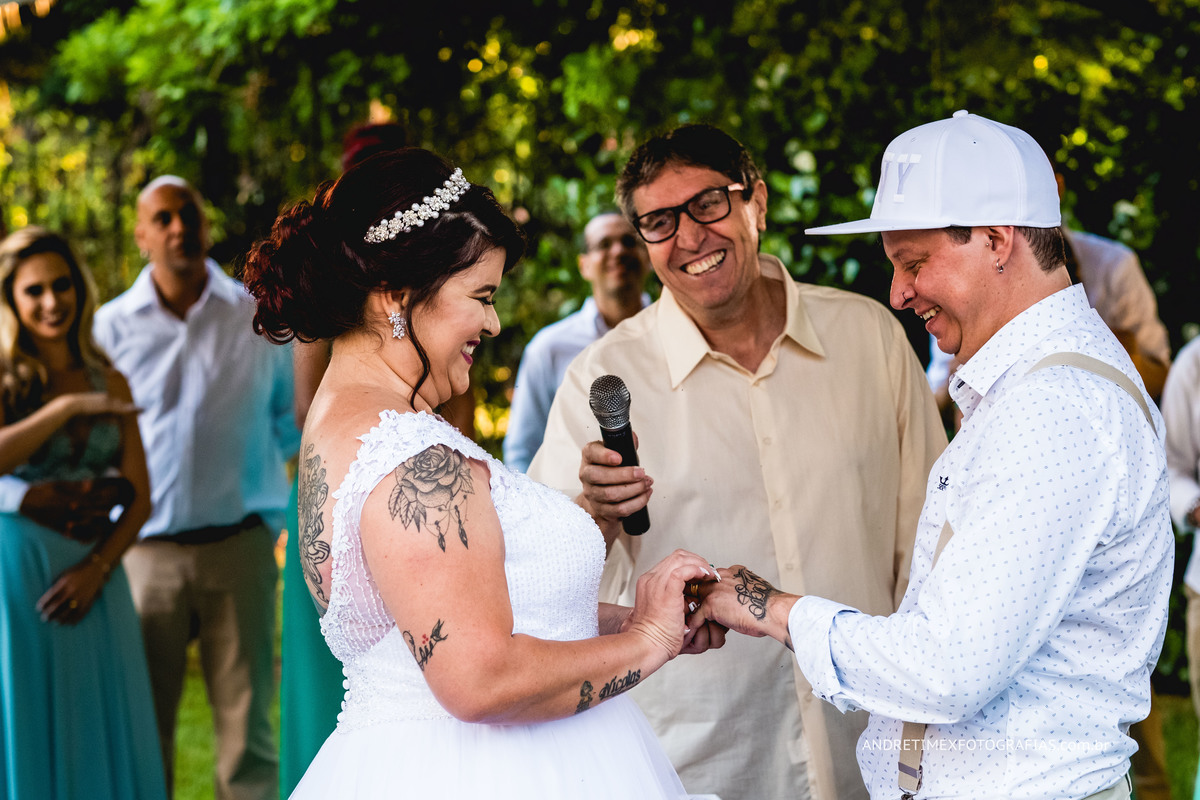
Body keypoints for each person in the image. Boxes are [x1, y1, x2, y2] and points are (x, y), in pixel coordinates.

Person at [698, 110, 1173, 800]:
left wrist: (768, 606)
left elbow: (949, 667)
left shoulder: (1055, 406)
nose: (897, 293)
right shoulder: (1029, 387)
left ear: (997, 239)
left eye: (914, 263)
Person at [241, 146, 725, 799]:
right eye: (482, 296)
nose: (493, 323)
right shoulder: (416, 460)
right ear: (397, 295)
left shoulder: (345, 430)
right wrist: (651, 638)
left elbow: (469, 618)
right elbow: (480, 678)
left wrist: (644, 610)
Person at [528, 124, 947, 800]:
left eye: (707, 204)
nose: (690, 237)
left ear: (756, 201)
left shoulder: (870, 338)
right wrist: (594, 516)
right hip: (701, 764)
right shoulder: (599, 378)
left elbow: (933, 548)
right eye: (660, 223)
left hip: (870, 749)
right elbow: (544, 596)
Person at [93, 176, 300, 800]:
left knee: (247, 733)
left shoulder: (257, 318)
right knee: (142, 725)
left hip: (237, 548)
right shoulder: (109, 328)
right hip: (143, 553)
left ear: (206, 225)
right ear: (141, 234)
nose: (178, 226)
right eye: (163, 218)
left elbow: (290, 424)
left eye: (188, 213)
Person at [0, 226, 166, 799]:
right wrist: (69, 406)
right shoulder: (5, 382)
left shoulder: (111, 379)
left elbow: (142, 496)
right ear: (12, 301)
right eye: (34, 291)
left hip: (98, 578)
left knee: (98, 716)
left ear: (80, 289)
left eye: (62, 285)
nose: (51, 302)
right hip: (15, 579)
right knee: (27, 712)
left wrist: (97, 569)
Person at [504, 211, 651, 471]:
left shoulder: (672, 332)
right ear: (583, 265)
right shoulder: (549, 348)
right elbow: (522, 454)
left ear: (648, 257)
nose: (618, 251)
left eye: (629, 242)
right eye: (604, 244)